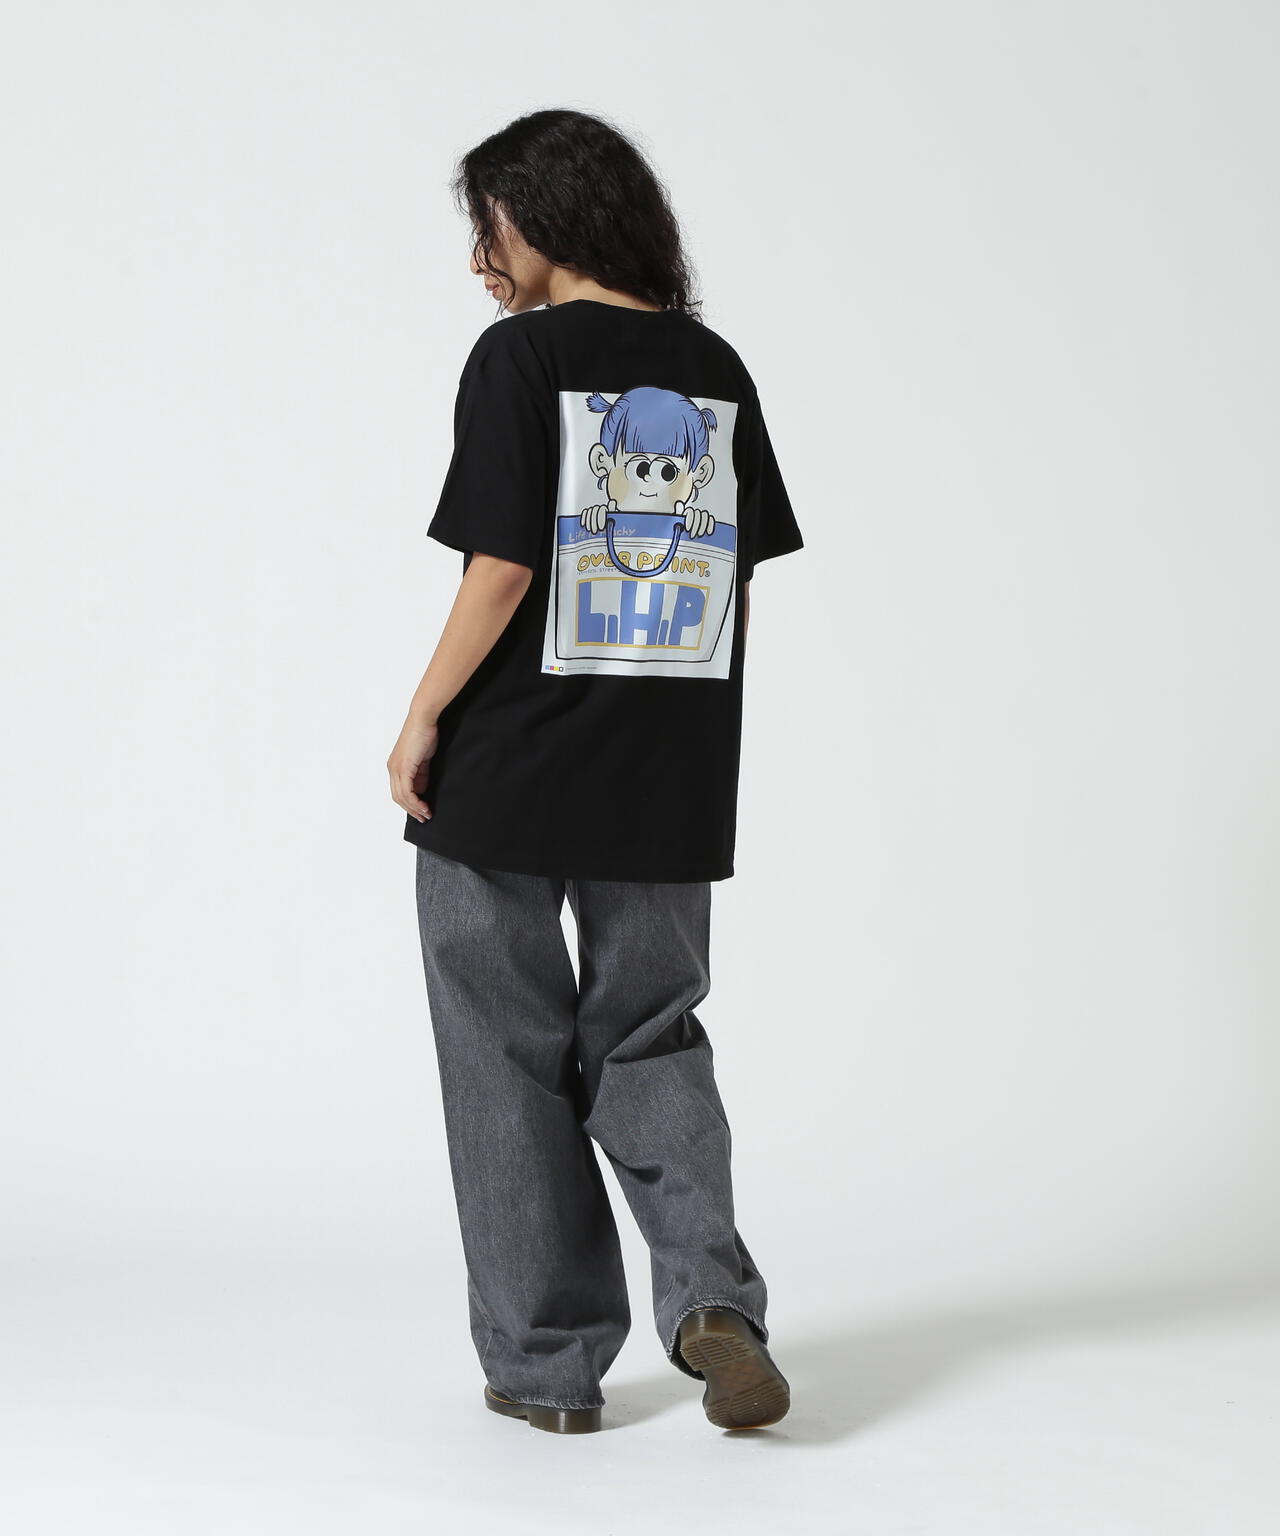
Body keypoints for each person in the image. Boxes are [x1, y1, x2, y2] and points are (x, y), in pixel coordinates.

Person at [387, 108, 804, 1436]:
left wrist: (422, 717)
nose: (480, 260)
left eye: (486, 227)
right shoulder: (714, 368)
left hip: (507, 771)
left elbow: (502, 566)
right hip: (665, 775)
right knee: (651, 1036)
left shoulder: (520, 357)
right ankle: (712, 1300)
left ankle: (547, 1365)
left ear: (541, 213)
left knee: (501, 1056)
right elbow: (729, 583)